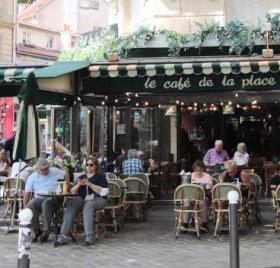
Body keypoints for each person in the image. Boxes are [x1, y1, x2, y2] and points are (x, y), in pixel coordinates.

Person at [55, 157, 108, 246]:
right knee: (71, 205)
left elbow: (104, 192)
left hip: (98, 198)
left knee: (88, 205)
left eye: (91, 165)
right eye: (87, 164)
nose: (88, 167)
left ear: (95, 166)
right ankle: (63, 235)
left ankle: (89, 236)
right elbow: (72, 192)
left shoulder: (100, 176)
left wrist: (90, 184)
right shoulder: (81, 177)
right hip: (83, 198)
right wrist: (78, 184)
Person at [23, 158, 69, 243]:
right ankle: (36, 230)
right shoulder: (32, 177)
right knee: (31, 204)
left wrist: (66, 185)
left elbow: (66, 173)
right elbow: (26, 194)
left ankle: (46, 231)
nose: (45, 171)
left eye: (46, 169)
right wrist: (25, 208)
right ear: (38, 169)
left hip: (53, 199)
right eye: (42, 169)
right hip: (39, 198)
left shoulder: (54, 171)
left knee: (46, 203)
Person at [181, 160, 212, 232]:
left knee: (203, 201)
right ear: (194, 169)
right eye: (196, 170)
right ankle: (185, 224)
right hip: (192, 196)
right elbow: (186, 187)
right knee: (187, 201)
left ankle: (204, 225)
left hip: (204, 195)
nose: (198, 172)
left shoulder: (207, 176)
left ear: (203, 169)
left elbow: (210, 187)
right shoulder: (190, 176)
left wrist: (207, 185)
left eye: (200, 170)